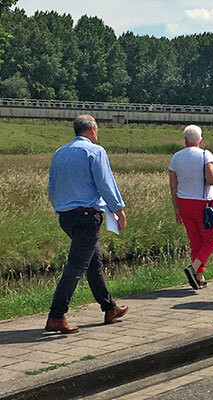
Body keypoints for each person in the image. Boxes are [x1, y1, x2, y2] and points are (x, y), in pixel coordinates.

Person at [46, 115, 128, 334]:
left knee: (94, 260)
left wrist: (60, 207)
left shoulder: (59, 153)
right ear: (92, 129)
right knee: (76, 265)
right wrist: (119, 211)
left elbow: (52, 186)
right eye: (97, 129)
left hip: (66, 215)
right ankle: (56, 315)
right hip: (86, 215)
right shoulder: (95, 151)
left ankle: (109, 307)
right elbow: (105, 183)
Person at [169, 125, 213, 290]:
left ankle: (199, 276)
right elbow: (212, 179)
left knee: (195, 240)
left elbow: (173, 186)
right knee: (212, 240)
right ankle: (193, 267)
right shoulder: (205, 155)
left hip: (184, 202)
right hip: (203, 203)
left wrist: (176, 209)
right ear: (200, 140)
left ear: (185, 140)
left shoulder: (176, 157)